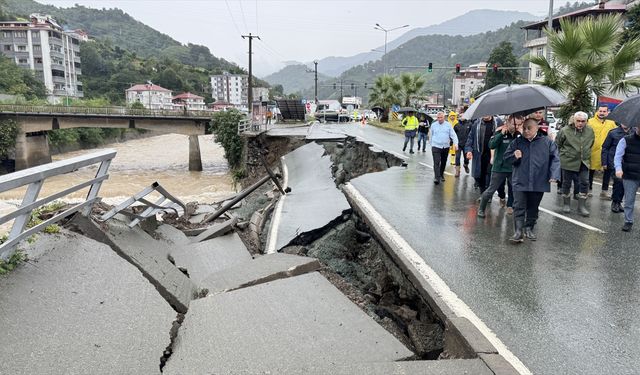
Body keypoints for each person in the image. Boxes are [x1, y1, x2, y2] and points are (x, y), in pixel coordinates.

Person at [504, 119, 561, 242]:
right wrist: (515, 156)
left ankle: (529, 228)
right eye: (524, 128)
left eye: (529, 128)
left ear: (536, 128)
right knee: (518, 205)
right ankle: (518, 231)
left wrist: (554, 175)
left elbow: (555, 159)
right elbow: (506, 159)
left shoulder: (547, 142)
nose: (526, 131)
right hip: (520, 179)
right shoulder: (517, 142)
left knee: (533, 206)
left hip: (539, 180)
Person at [477, 114, 523, 218]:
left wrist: (521, 135)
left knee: (517, 190)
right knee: (491, 190)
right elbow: (491, 145)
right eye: (514, 124)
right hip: (500, 167)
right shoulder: (500, 132)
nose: (516, 127)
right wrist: (501, 134)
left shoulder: (519, 135)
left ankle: (514, 209)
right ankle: (481, 208)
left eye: (519, 125)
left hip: (513, 167)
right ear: (508, 122)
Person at [554, 111, 595, 216]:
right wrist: (563, 155)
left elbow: (591, 143)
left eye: (583, 121)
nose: (580, 123)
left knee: (585, 182)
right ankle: (566, 204)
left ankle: (581, 206)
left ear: (586, 121)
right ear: (574, 120)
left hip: (584, 161)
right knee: (566, 183)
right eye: (578, 121)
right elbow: (558, 144)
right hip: (568, 161)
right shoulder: (565, 131)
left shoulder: (590, 130)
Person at [465, 115, 502, 193]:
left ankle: (488, 194)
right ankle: (483, 193)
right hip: (480, 153)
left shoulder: (498, 122)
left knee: (490, 174)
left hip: (494, 153)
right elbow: (470, 138)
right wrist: (469, 150)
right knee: (480, 174)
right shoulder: (476, 124)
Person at [602, 123, 634, 213]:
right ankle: (615, 202)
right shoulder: (613, 133)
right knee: (618, 182)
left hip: (629, 163)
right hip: (614, 162)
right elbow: (605, 147)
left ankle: (619, 202)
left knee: (625, 184)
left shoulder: (634, 132)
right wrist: (604, 162)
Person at [614, 125, 640, 232]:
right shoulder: (625, 140)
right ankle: (628, 221)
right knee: (629, 200)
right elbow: (618, 156)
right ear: (637, 127)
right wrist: (618, 169)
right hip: (630, 174)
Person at [587, 105, 616, 198]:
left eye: (604, 111)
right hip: (592, 150)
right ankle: (588, 189)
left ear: (608, 112)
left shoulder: (611, 123)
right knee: (590, 171)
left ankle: (604, 191)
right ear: (597, 111)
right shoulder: (590, 122)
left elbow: (616, 133)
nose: (602, 113)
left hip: (606, 152)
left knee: (607, 171)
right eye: (600, 111)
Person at [430, 111, 459, 185]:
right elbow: (431, 135)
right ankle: (437, 177)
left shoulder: (448, 125)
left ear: (444, 117)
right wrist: (431, 144)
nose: (439, 119)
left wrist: (456, 144)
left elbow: (453, 135)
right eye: (438, 118)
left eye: (441, 117)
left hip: (445, 147)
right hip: (436, 146)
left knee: (443, 162)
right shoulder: (433, 125)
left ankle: (441, 174)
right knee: (436, 162)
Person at [454, 107, 472, 177]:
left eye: (463, 116)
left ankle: (466, 165)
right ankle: (457, 171)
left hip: (466, 144)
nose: (462, 117)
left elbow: (472, 135)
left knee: (466, 158)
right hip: (458, 144)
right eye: (461, 116)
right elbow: (453, 135)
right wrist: (452, 143)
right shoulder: (456, 125)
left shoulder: (469, 124)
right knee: (457, 157)